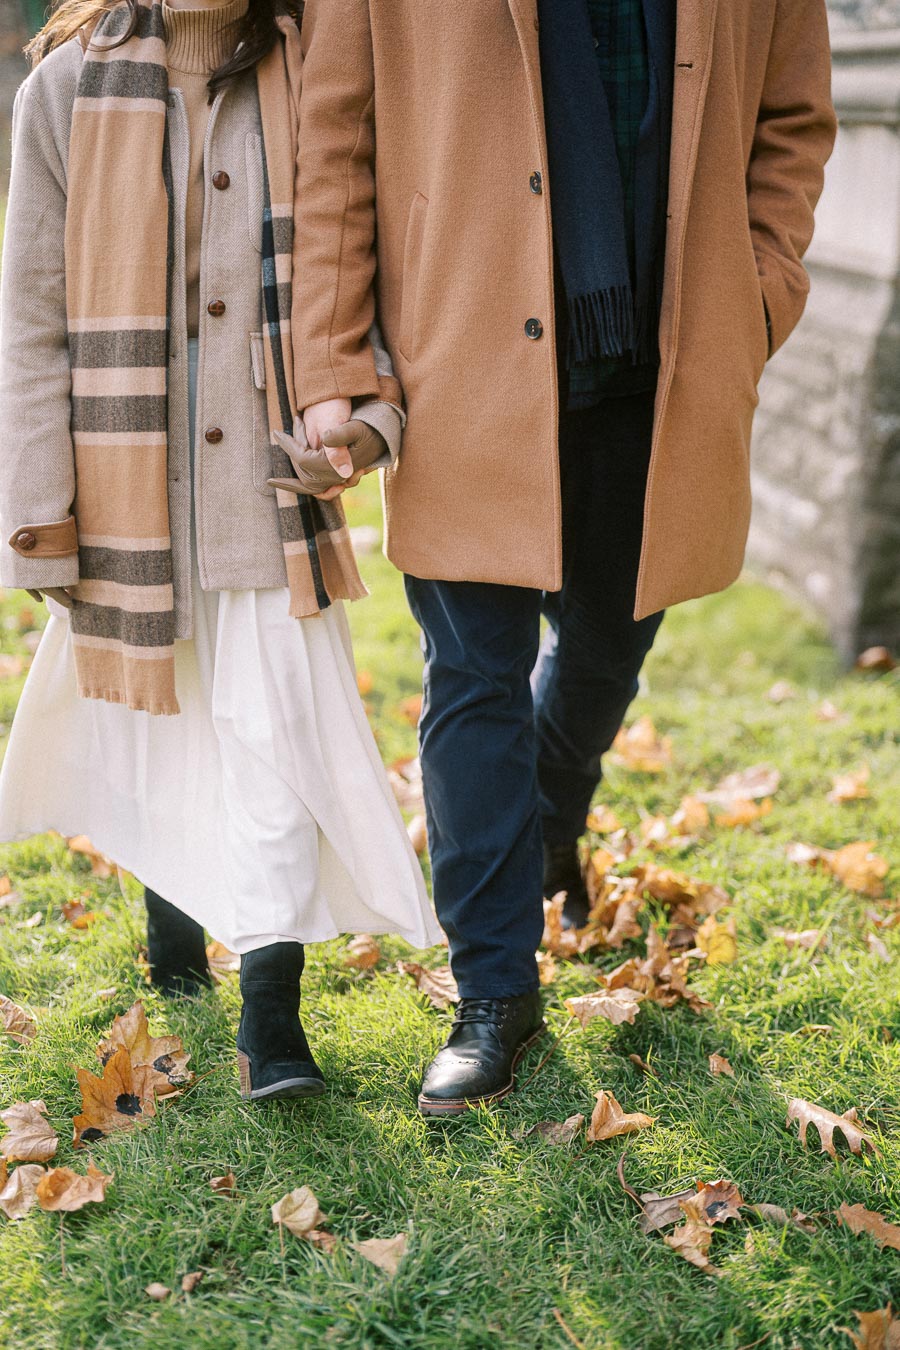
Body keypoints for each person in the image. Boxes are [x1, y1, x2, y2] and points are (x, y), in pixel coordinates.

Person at [292, 0, 837, 1115]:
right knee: (473, 673)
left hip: (663, 360)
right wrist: (334, 358)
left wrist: (761, 289)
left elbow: (793, 122)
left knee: (609, 634)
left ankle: (542, 824)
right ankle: (493, 991)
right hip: (462, 358)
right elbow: (334, 141)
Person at [0, 0, 441, 1102]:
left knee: (272, 729)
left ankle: (271, 1019)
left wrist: (374, 417)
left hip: (265, 478)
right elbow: (30, 317)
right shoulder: (58, 92)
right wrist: (39, 506)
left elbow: (372, 271)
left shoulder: (319, 81)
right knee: (172, 720)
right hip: (121, 484)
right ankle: (173, 921)